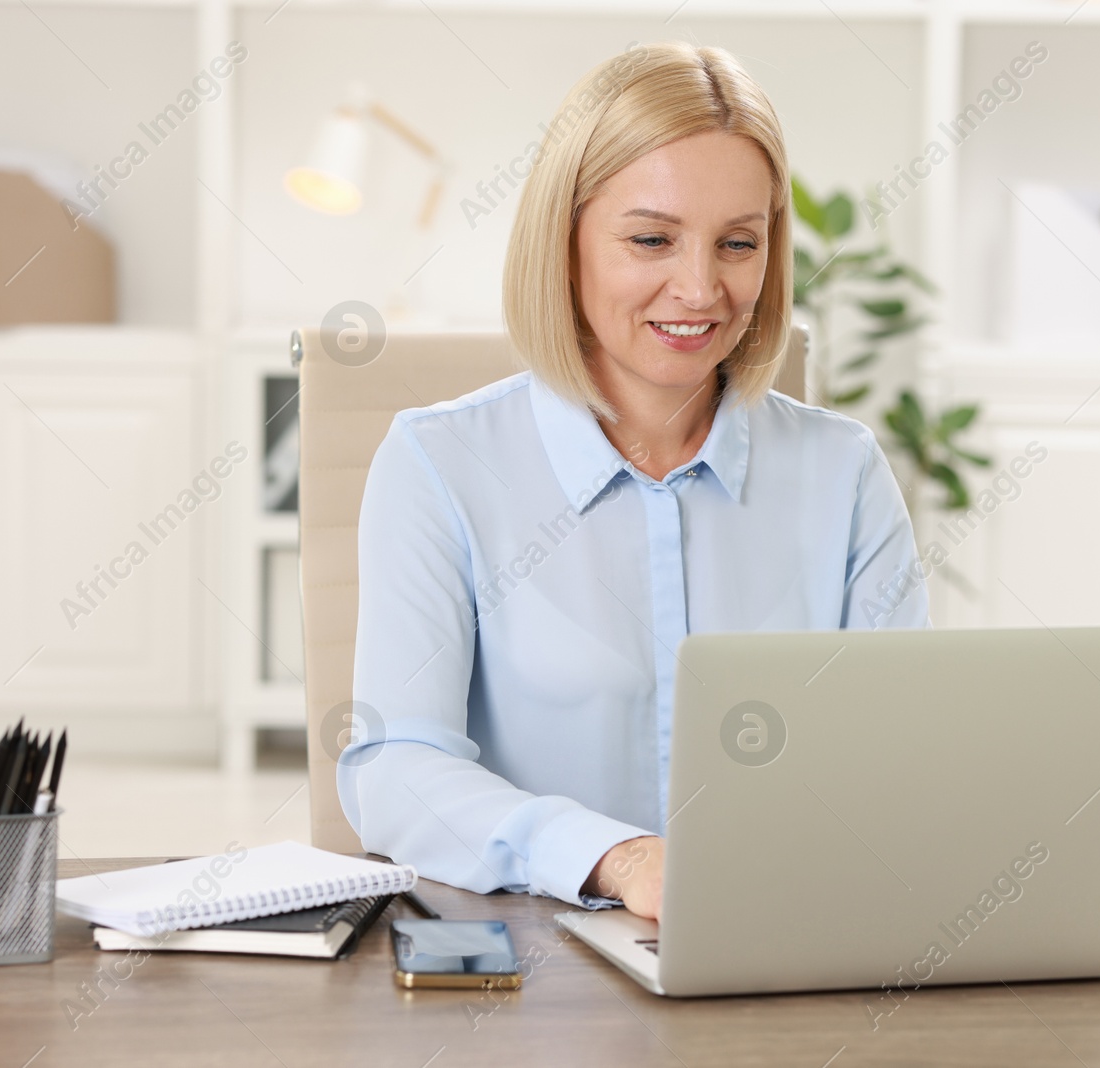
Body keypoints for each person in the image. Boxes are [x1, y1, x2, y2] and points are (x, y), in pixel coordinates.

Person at [337, 41, 928, 920]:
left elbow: (903, 758)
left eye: (738, 243)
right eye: (651, 238)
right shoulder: (439, 465)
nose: (700, 288)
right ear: (563, 241)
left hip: (794, 947)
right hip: (542, 966)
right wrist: (614, 857)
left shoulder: (843, 473)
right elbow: (394, 771)